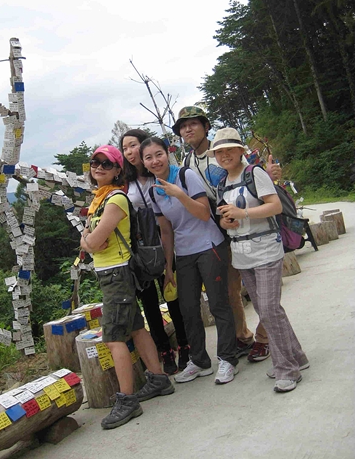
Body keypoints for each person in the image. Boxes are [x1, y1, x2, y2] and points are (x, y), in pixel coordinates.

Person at [172, 106, 281, 363]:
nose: (188, 129)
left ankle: (264, 337)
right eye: (183, 126)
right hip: (218, 229)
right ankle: (243, 337)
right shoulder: (186, 162)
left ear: (206, 126)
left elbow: (252, 178)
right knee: (231, 290)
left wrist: (270, 176)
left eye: (193, 123)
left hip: (248, 225)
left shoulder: (225, 149)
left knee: (262, 291)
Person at [207, 128, 309, 393]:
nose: (224, 155)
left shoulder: (255, 173)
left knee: (268, 309)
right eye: (219, 151)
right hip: (242, 255)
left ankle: (287, 369)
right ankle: (297, 356)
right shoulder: (221, 183)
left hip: (265, 250)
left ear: (241, 150)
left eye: (230, 149)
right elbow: (223, 218)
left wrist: (243, 213)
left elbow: (274, 206)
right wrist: (227, 221)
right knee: (268, 310)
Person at [80, 145, 174, 429]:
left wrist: (87, 240)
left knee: (113, 338)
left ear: (118, 170)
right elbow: (91, 239)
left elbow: (92, 242)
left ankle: (127, 400)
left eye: (106, 164)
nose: (99, 167)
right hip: (111, 273)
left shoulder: (115, 199)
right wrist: (89, 239)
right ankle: (158, 378)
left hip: (116, 274)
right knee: (135, 327)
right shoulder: (99, 199)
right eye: (95, 162)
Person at [140, 137, 238, 385]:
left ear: (167, 154)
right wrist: (168, 267)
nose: (155, 161)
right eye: (148, 157)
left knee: (218, 304)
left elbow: (204, 214)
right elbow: (166, 231)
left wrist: (179, 194)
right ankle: (200, 361)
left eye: (159, 154)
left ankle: (228, 358)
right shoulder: (153, 191)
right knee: (188, 309)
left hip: (209, 246)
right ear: (143, 162)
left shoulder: (185, 176)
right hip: (183, 253)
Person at [120, 129, 190, 375]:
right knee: (149, 303)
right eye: (124, 148)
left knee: (173, 296)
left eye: (133, 145)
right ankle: (165, 351)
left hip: (167, 243)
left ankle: (184, 344)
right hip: (141, 251)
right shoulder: (124, 182)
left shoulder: (160, 174)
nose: (129, 152)